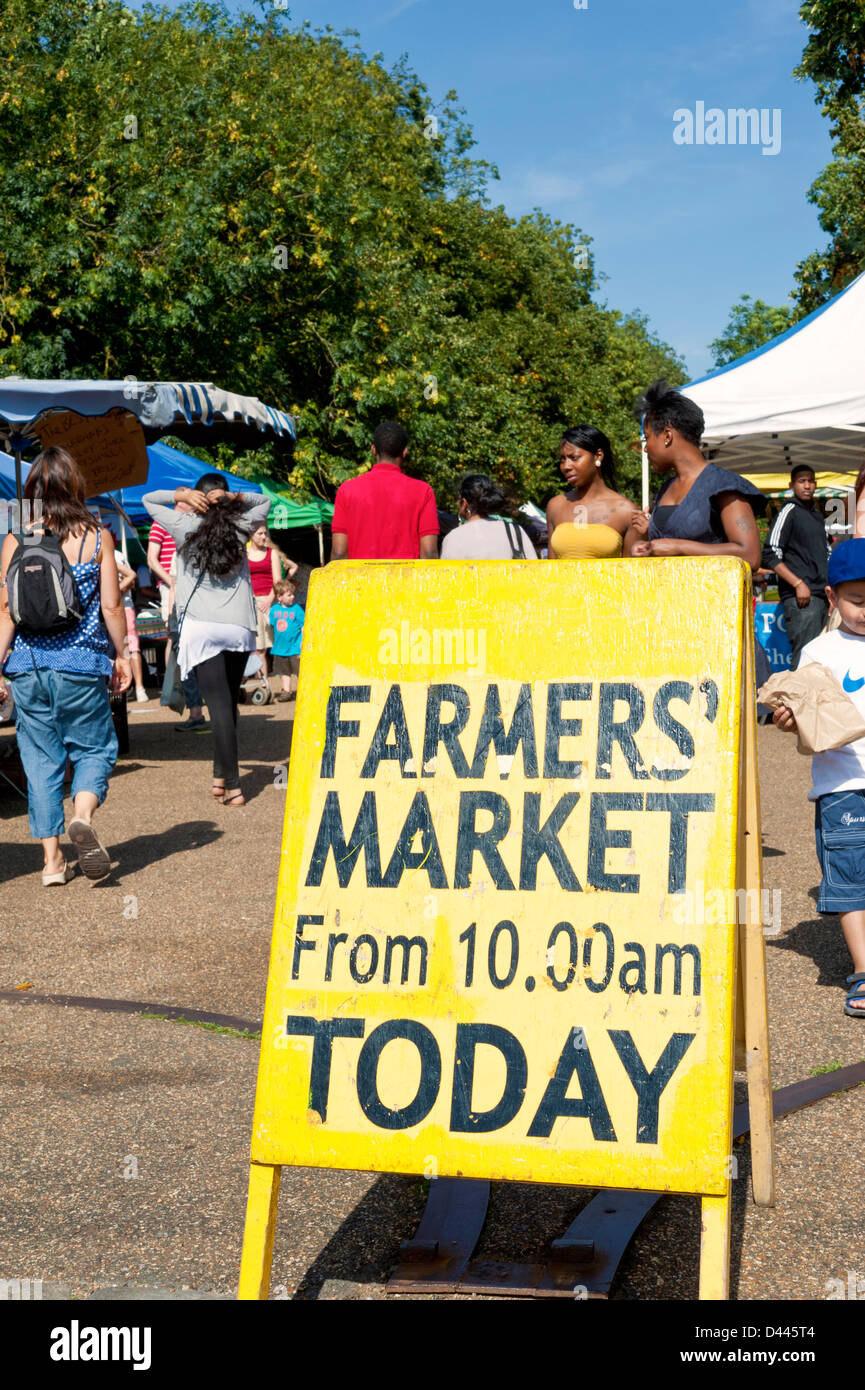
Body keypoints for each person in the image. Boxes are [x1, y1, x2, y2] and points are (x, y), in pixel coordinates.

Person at [0, 447, 132, 882]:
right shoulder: (98, 536)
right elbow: (112, 607)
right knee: (94, 748)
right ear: (76, 486)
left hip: (28, 667)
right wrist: (124, 655)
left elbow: (5, 610)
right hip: (82, 664)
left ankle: (52, 863)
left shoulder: (17, 538)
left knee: (40, 762)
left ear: (32, 489)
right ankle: (84, 817)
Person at [772, 538, 865, 1017]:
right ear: (832, 597)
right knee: (852, 880)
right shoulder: (818, 652)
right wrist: (791, 719)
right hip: (843, 786)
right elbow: (800, 714)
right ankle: (863, 971)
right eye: (858, 601)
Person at [143, 474, 270, 806]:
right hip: (238, 628)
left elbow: (149, 501)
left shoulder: (184, 524)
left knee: (219, 707)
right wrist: (235, 496)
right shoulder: (242, 523)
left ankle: (233, 784)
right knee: (226, 704)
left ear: (198, 497)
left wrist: (179, 493)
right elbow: (267, 502)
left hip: (201, 630)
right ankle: (219, 775)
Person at [624, 380, 763, 568]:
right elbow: (667, 541)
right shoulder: (666, 488)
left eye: (647, 438)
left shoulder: (724, 485)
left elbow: (750, 556)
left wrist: (678, 547)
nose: (646, 448)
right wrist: (646, 545)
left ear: (667, 436)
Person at [330, 421, 439, 560]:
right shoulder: (423, 492)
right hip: (404, 580)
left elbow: (339, 553)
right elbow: (429, 553)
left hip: (359, 581)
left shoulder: (347, 490)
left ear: (373, 449)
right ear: (405, 451)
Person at [148, 494, 206, 730]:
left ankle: (197, 707)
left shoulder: (195, 524)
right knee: (178, 643)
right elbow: (152, 559)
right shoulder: (162, 522)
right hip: (172, 588)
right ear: (182, 502)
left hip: (194, 591)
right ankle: (180, 695)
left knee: (191, 645)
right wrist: (171, 582)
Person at [764, 465, 831, 666]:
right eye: (802, 481)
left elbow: (825, 554)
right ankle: (799, 699)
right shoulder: (789, 510)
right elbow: (769, 552)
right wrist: (797, 583)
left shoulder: (818, 516)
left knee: (822, 660)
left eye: (810, 481)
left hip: (823, 598)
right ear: (791, 485)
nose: (807, 485)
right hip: (802, 599)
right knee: (805, 660)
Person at [546, 426, 639, 558]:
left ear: (598, 456)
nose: (566, 466)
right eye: (562, 459)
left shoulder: (626, 511)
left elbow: (630, 572)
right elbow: (549, 570)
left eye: (574, 457)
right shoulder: (555, 506)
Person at [440, 475, 538, 559]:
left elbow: (448, 578)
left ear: (464, 503)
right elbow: (535, 571)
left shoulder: (454, 538)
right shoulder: (514, 530)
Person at [247, 523, 297, 670]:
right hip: (251, 601)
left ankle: (285, 683)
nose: (264, 537)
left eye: (265, 533)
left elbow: (277, 581)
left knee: (278, 643)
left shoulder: (272, 553)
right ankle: (263, 685)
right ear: (251, 535)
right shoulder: (245, 554)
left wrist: (269, 601)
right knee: (258, 648)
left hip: (268, 599)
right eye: (260, 534)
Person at [115, 550, 148, 702]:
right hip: (116, 607)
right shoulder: (116, 555)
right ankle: (127, 688)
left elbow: (131, 581)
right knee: (124, 648)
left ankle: (139, 687)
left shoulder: (117, 555)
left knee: (132, 646)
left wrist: (114, 593)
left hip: (123, 606)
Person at [268, 578, 304, 702]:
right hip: (280, 647)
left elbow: (304, 626)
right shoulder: (274, 610)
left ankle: (304, 690)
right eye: (289, 595)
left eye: (292, 594)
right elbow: (271, 623)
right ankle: (286, 691)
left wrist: (303, 641)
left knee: (300, 670)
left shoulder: (297, 609)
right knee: (284, 672)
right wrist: (262, 614)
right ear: (279, 597)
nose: (292, 597)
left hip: (295, 647)